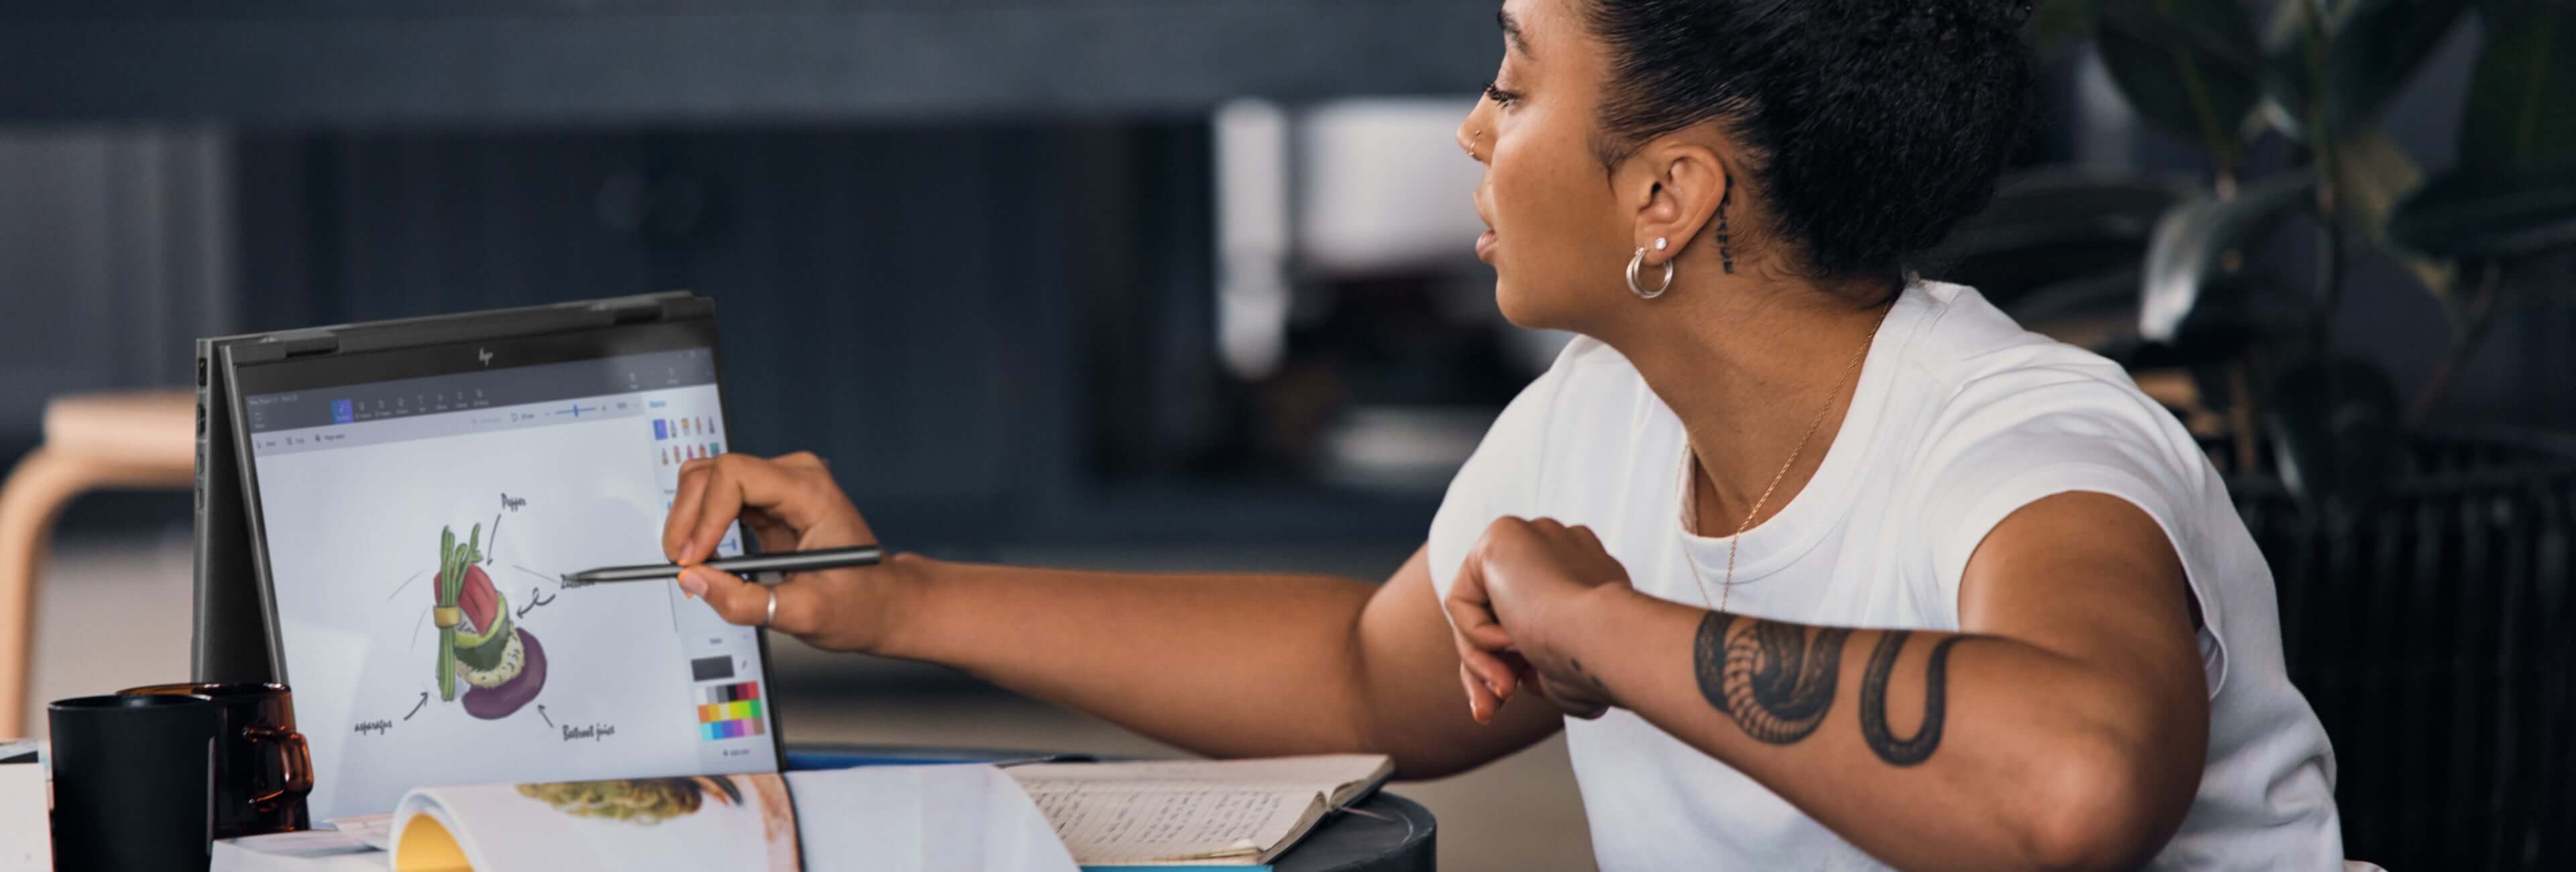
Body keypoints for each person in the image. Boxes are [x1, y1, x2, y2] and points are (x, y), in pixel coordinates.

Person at [659, 0, 2345, 867]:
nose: (1475, 126)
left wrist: (1607, 628)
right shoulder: (1601, 421)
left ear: (1668, 195)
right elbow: (1349, 665)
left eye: (1517, 80)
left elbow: (2075, 787)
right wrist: (897, 599)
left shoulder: (2027, 440)